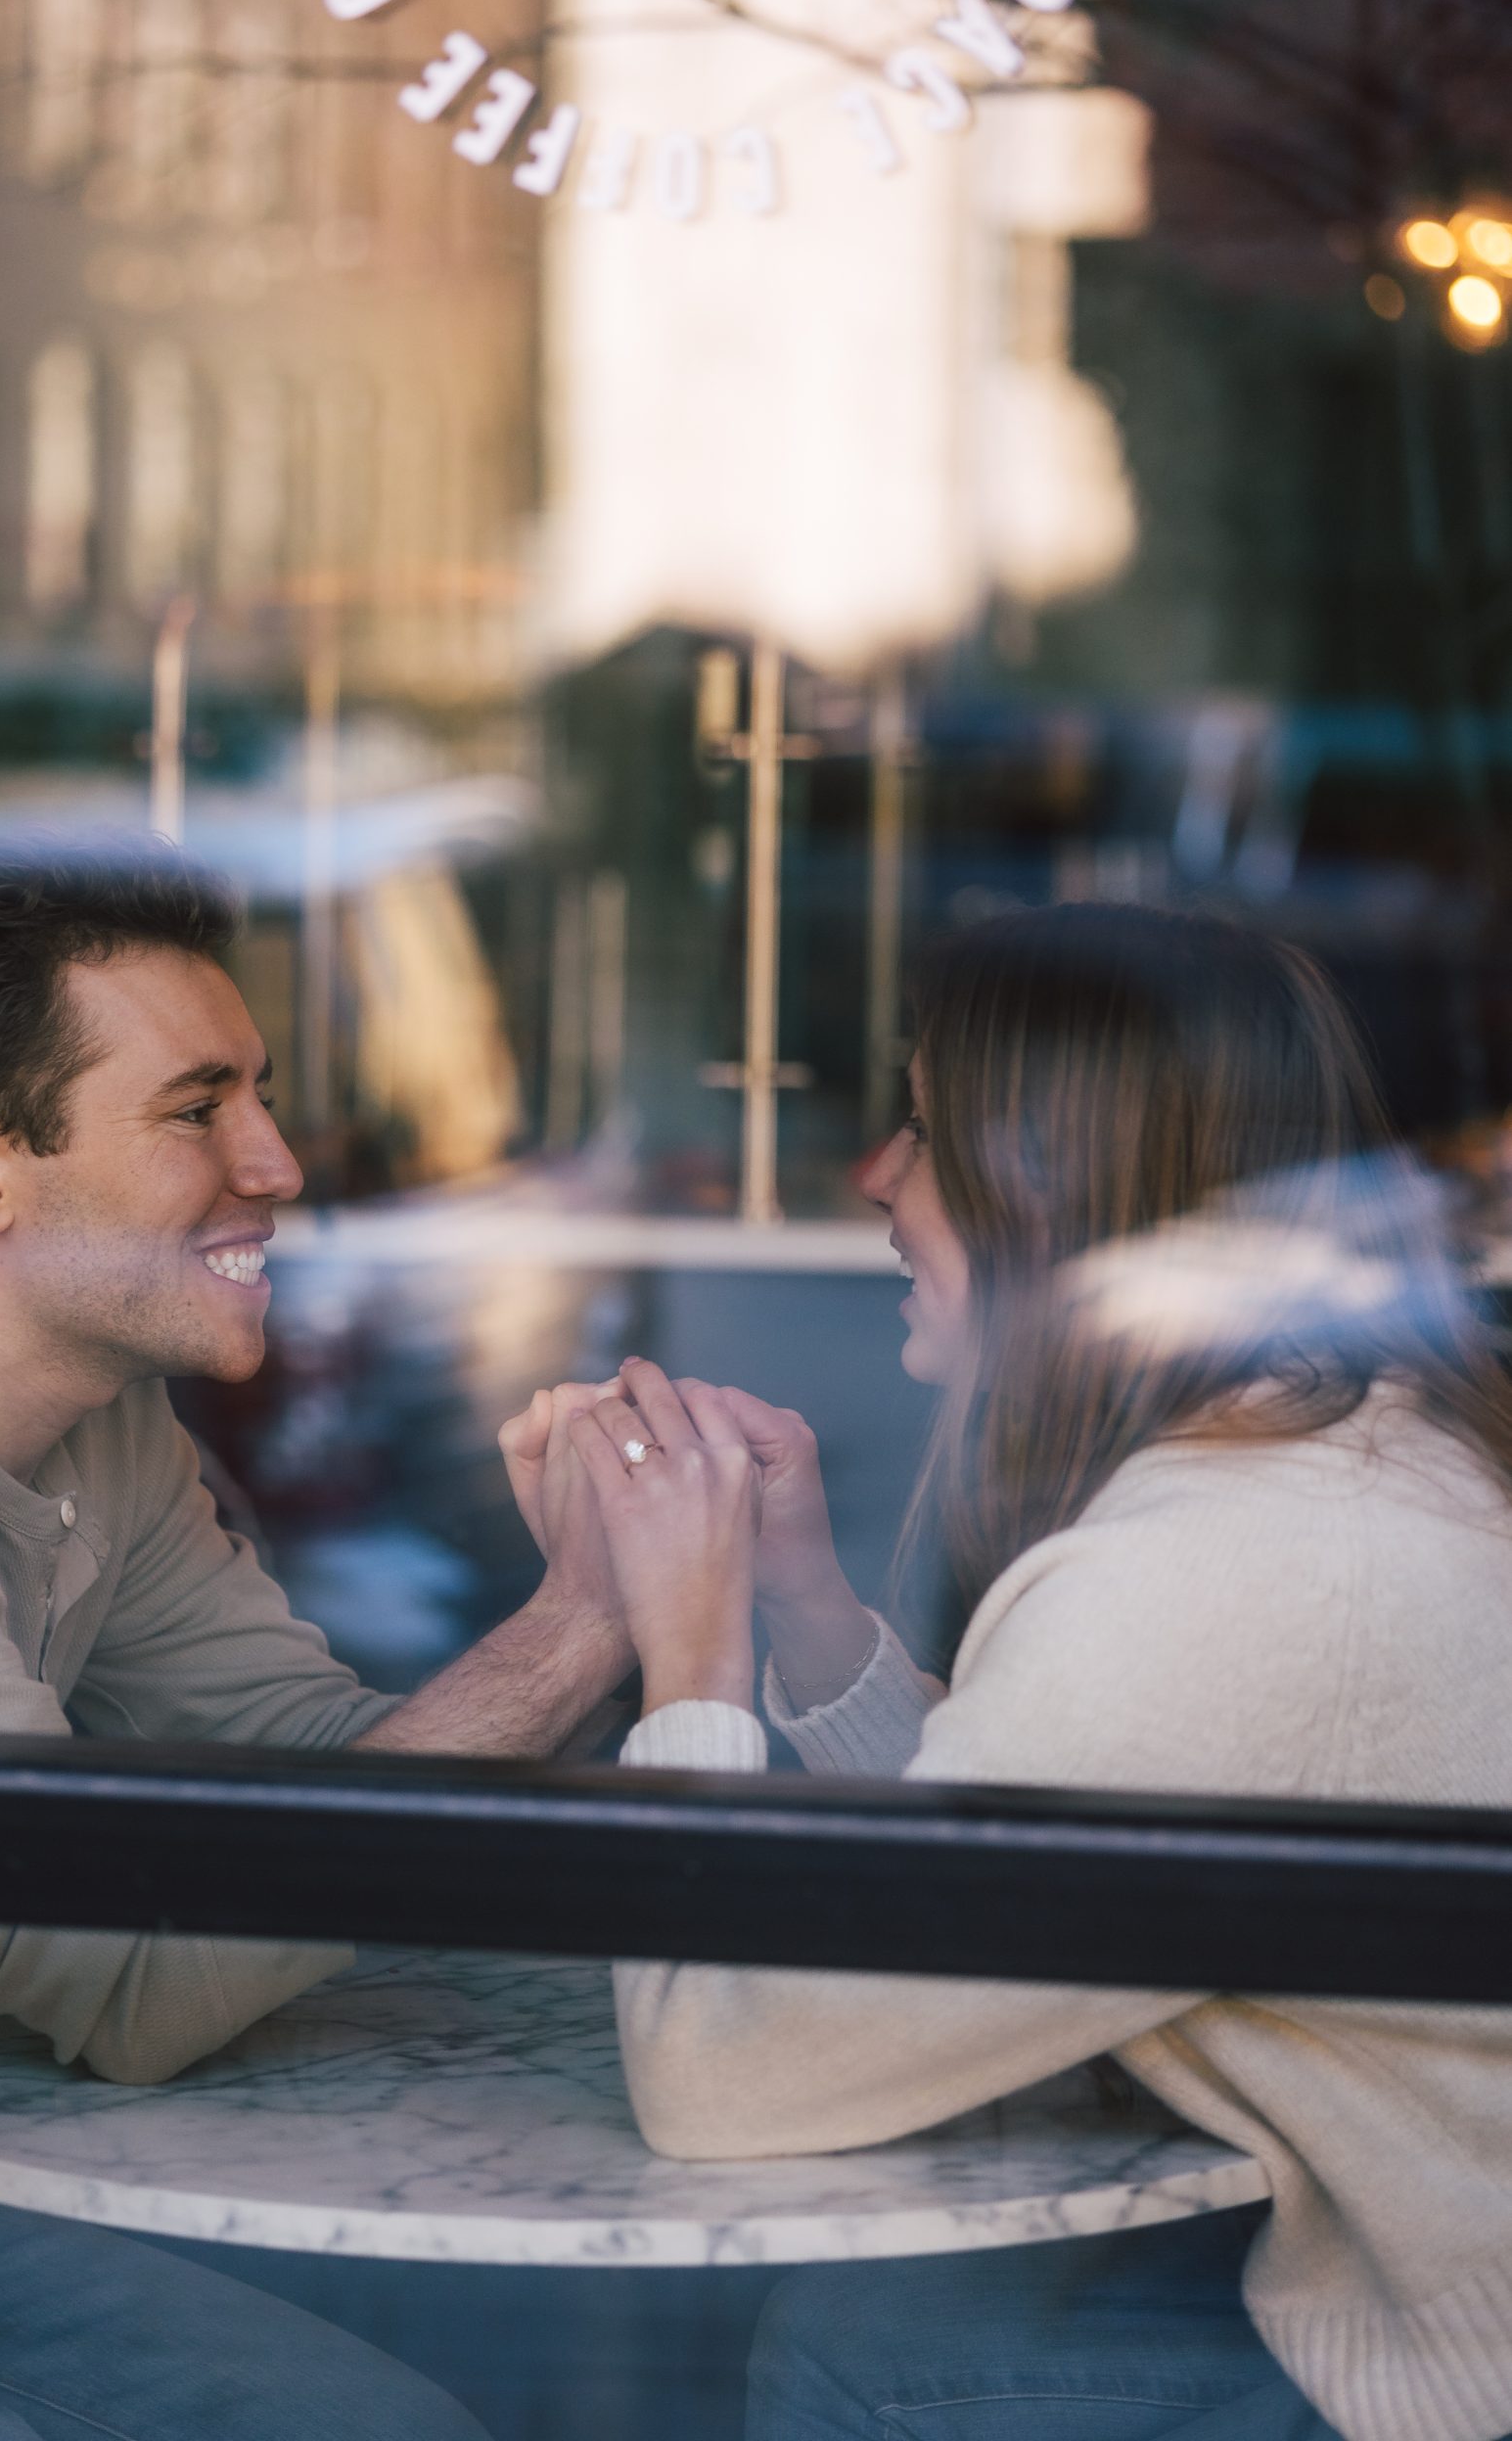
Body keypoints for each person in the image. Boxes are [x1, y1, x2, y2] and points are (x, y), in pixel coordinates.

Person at [504, 904, 1512, 2441]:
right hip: (1421, 2272)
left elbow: (722, 2089)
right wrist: (801, 1599)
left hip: (1447, 2367)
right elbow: (1019, 1857)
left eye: (923, 1126)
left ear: (1053, 1184)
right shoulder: (1329, 1453)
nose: (878, 1177)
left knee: (852, 2354)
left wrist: (685, 1654)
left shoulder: (1226, 1569)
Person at [0, 838, 629, 2440]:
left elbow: (306, 1777)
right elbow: (127, 1988)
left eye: (257, 1095)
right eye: (198, 1110)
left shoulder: (104, 1427)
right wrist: (577, 1632)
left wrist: (598, 1610)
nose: (276, 1161)